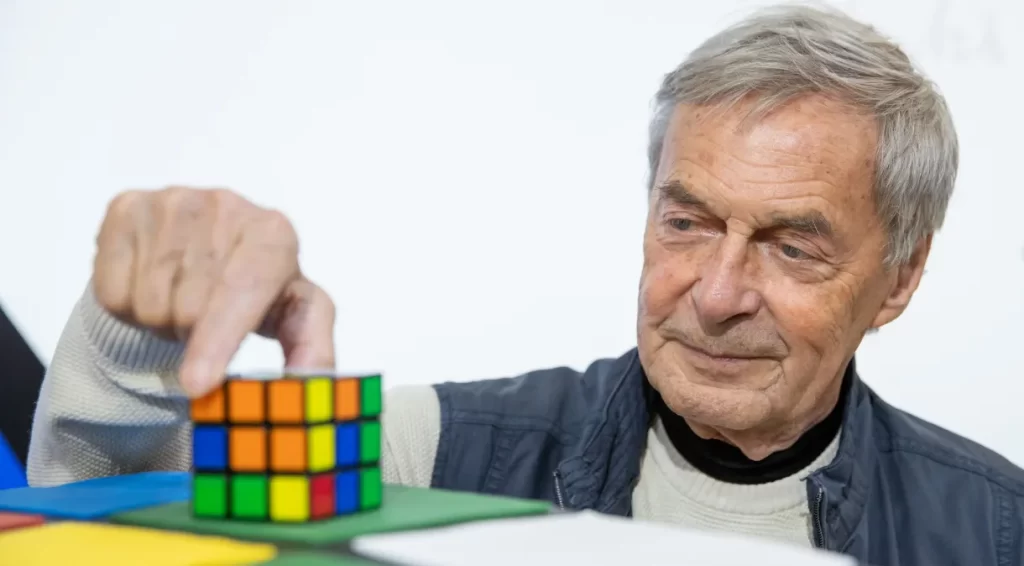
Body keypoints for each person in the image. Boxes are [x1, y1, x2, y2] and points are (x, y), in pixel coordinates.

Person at [25, 5, 1024, 565]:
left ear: (897, 279)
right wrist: (136, 343)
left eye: (789, 246)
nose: (715, 292)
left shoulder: (993, 529)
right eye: (686, 221)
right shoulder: (441, 451)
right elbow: (116, 530)